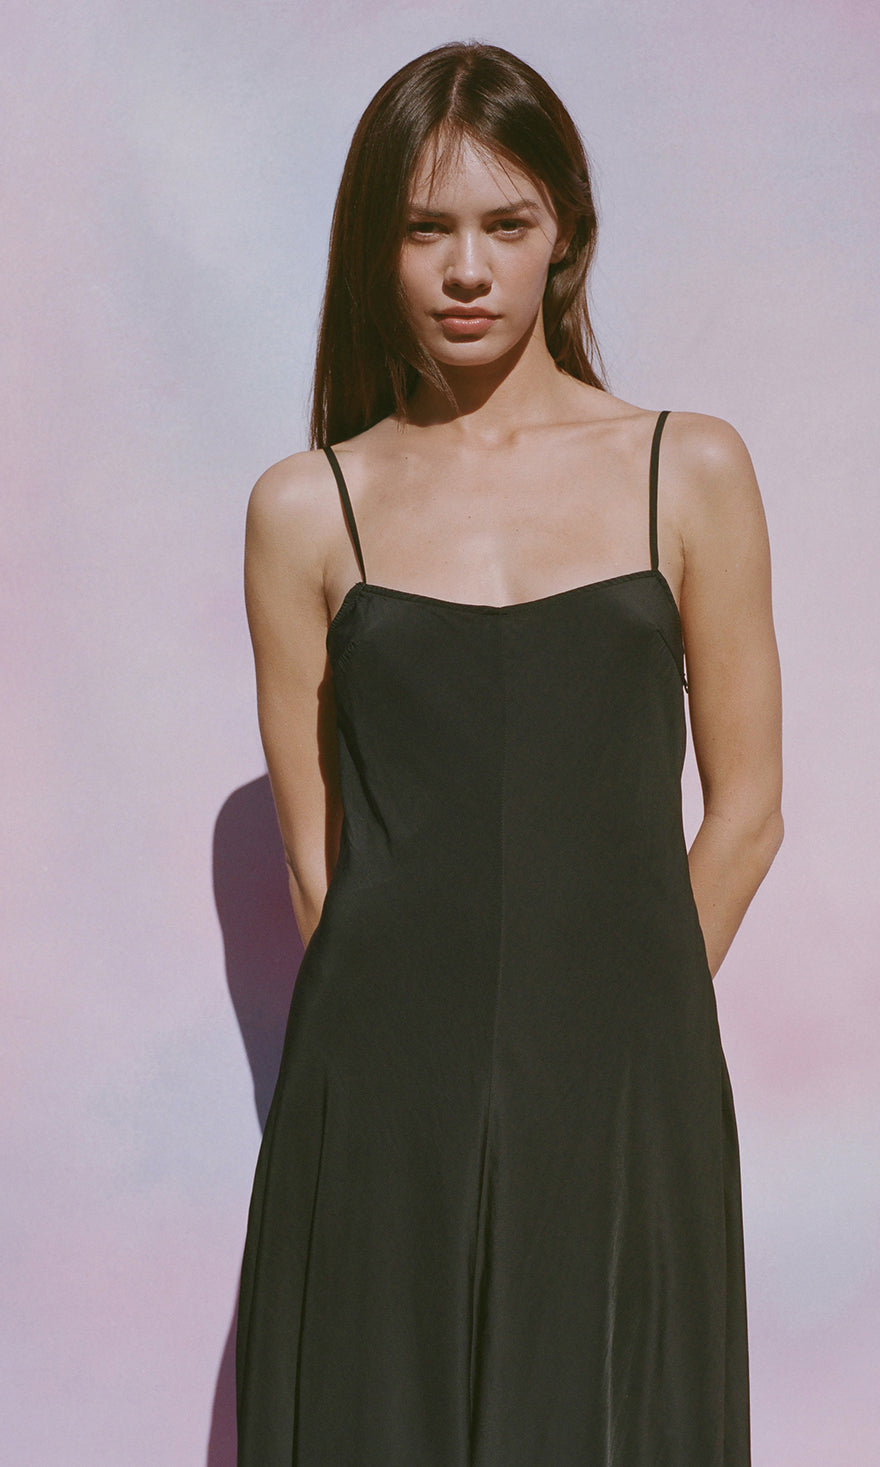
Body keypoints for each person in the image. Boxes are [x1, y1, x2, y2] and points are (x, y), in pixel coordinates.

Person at [236, 39, 782, 1467]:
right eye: (427, 229)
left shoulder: (689, 468)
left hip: (625, 1075)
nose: (467, 269)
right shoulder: (305, 509)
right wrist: (425, 1053)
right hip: (379, 1092)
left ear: (566, 236)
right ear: (378, 249)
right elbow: (319, 868)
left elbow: (748, 812)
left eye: (506, 223)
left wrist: (617, 1024)